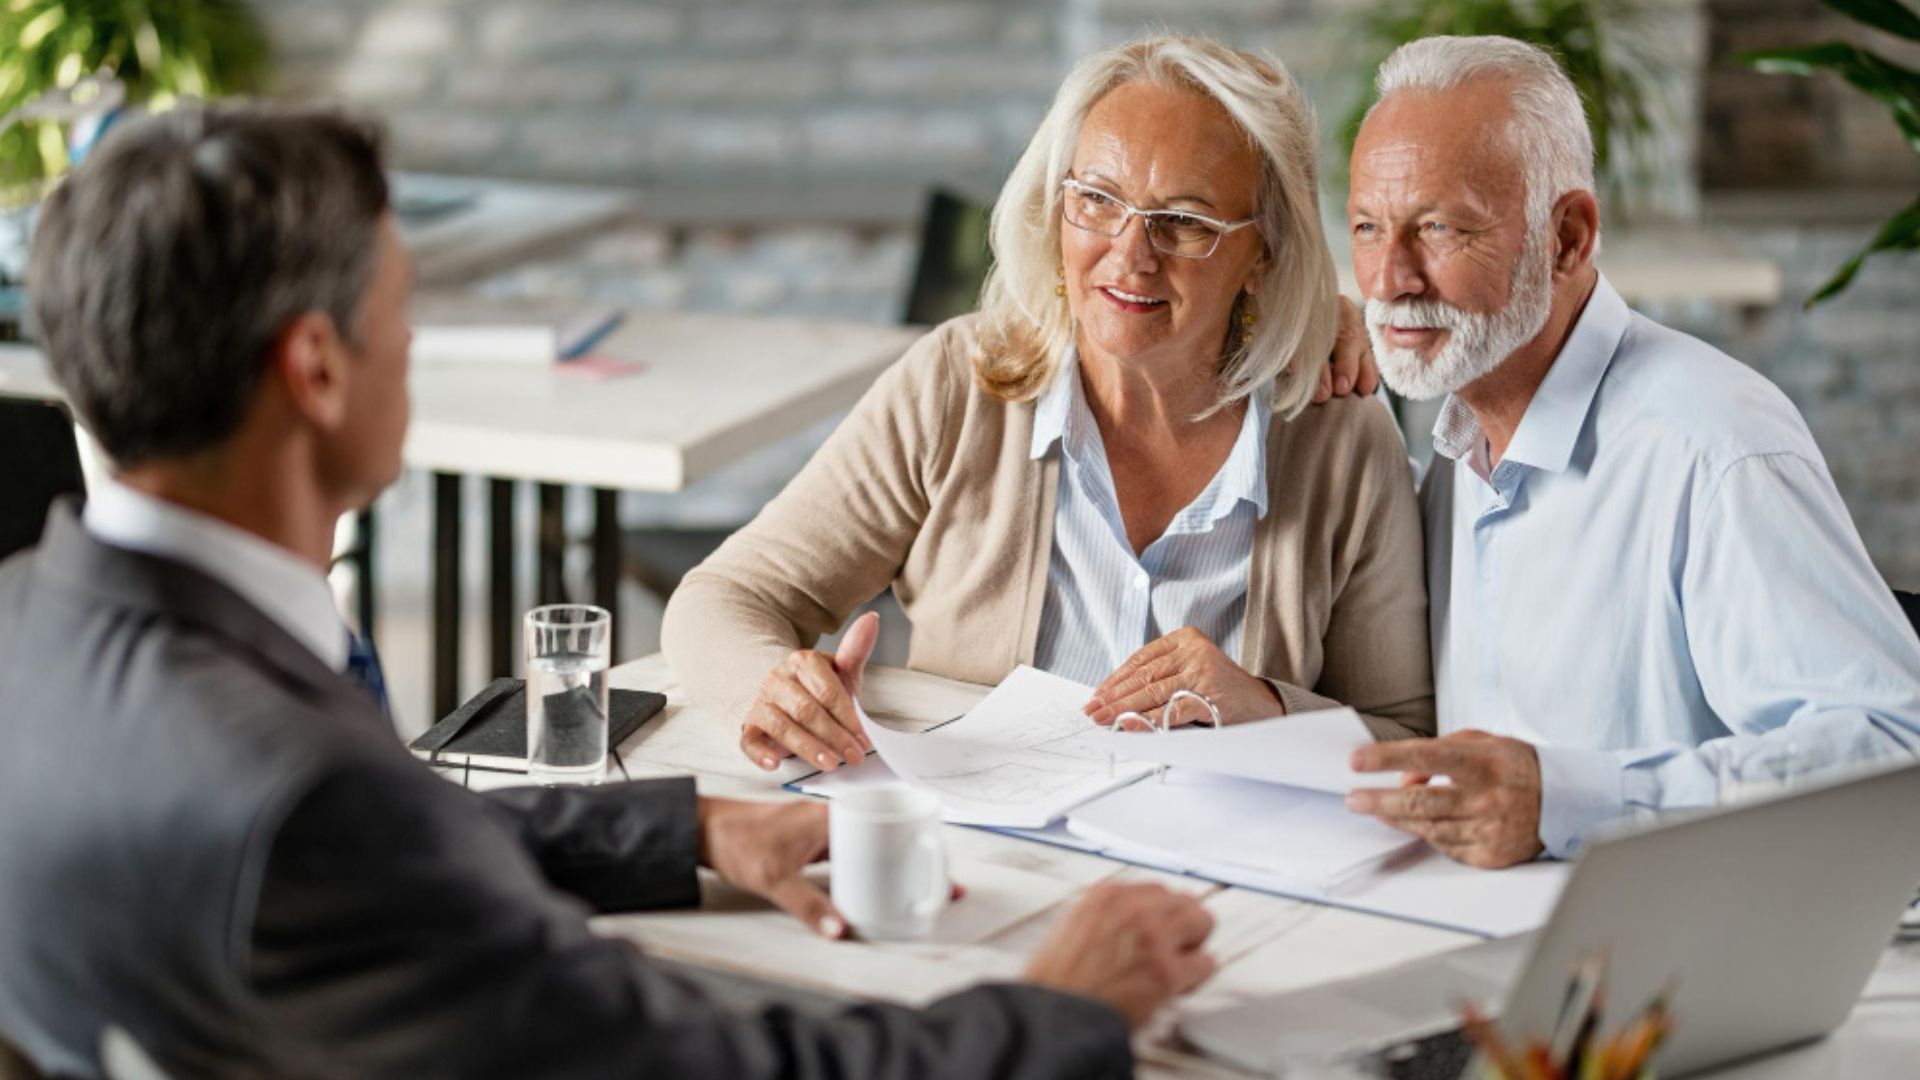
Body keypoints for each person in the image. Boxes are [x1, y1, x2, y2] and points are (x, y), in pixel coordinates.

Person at [0, 105, 1220, 1080]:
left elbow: (361, 867)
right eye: (400, 311)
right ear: (317, 368)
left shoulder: (29, 626)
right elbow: (690, 1062)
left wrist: (683, 829)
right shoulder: (303, 794)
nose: (414, 346)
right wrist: (1054, 1012)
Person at [663, 36, 1433, 775]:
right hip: (985, 858)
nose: (1131, 255)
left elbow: (1404, 735)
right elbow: (725, 599)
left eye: (1186, 222)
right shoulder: (958, 387)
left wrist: (1266, 706)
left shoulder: (1340, 433)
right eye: (1097, 200)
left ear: (1263, 251)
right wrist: (773, 687)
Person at [1340, 35, 1920, 868]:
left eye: (1439, 227)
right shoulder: (1455, 448)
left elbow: (1893, 750)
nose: (1390, 277)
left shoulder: (1717, 448)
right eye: (1367, 226)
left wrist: (1577, 802)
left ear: (1569, 237)